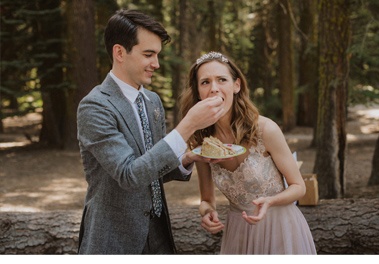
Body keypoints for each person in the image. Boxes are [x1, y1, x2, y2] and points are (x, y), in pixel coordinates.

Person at [76, 10, 226, 254]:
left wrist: (187, 159)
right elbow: (129, 175)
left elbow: (151, 167)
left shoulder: (152, 101)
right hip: (114, 238)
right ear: (119, 52)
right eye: (148, 54)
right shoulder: (95, 106)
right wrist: (188, 125)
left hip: (158, 235)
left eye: (157, 55)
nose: (156, 64)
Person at [179, 51, 317, 254]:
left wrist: (271, 201)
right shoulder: (203, 143)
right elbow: (207, 199)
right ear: (198, 91)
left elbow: (298, 187)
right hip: (239, 234)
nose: (214, 88)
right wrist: (207, 212)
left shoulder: (265, 129)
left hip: (281, 228)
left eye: (222, 80)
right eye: (205, 82)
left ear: (236, 85)